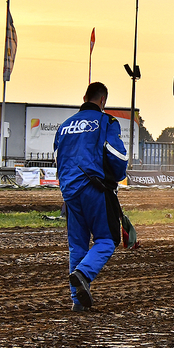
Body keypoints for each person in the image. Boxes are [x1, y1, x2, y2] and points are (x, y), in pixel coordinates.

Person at [53, 82, 128, 312]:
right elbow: (117, 156)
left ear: (84, 96)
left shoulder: (64, 126)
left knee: (77, 246)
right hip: (94, 189)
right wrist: (116, 176)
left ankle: (78, 301)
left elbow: (58, 159)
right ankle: (84, 274)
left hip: (69, 192)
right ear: (103, 100)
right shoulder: (107, 122)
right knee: (108, 239)